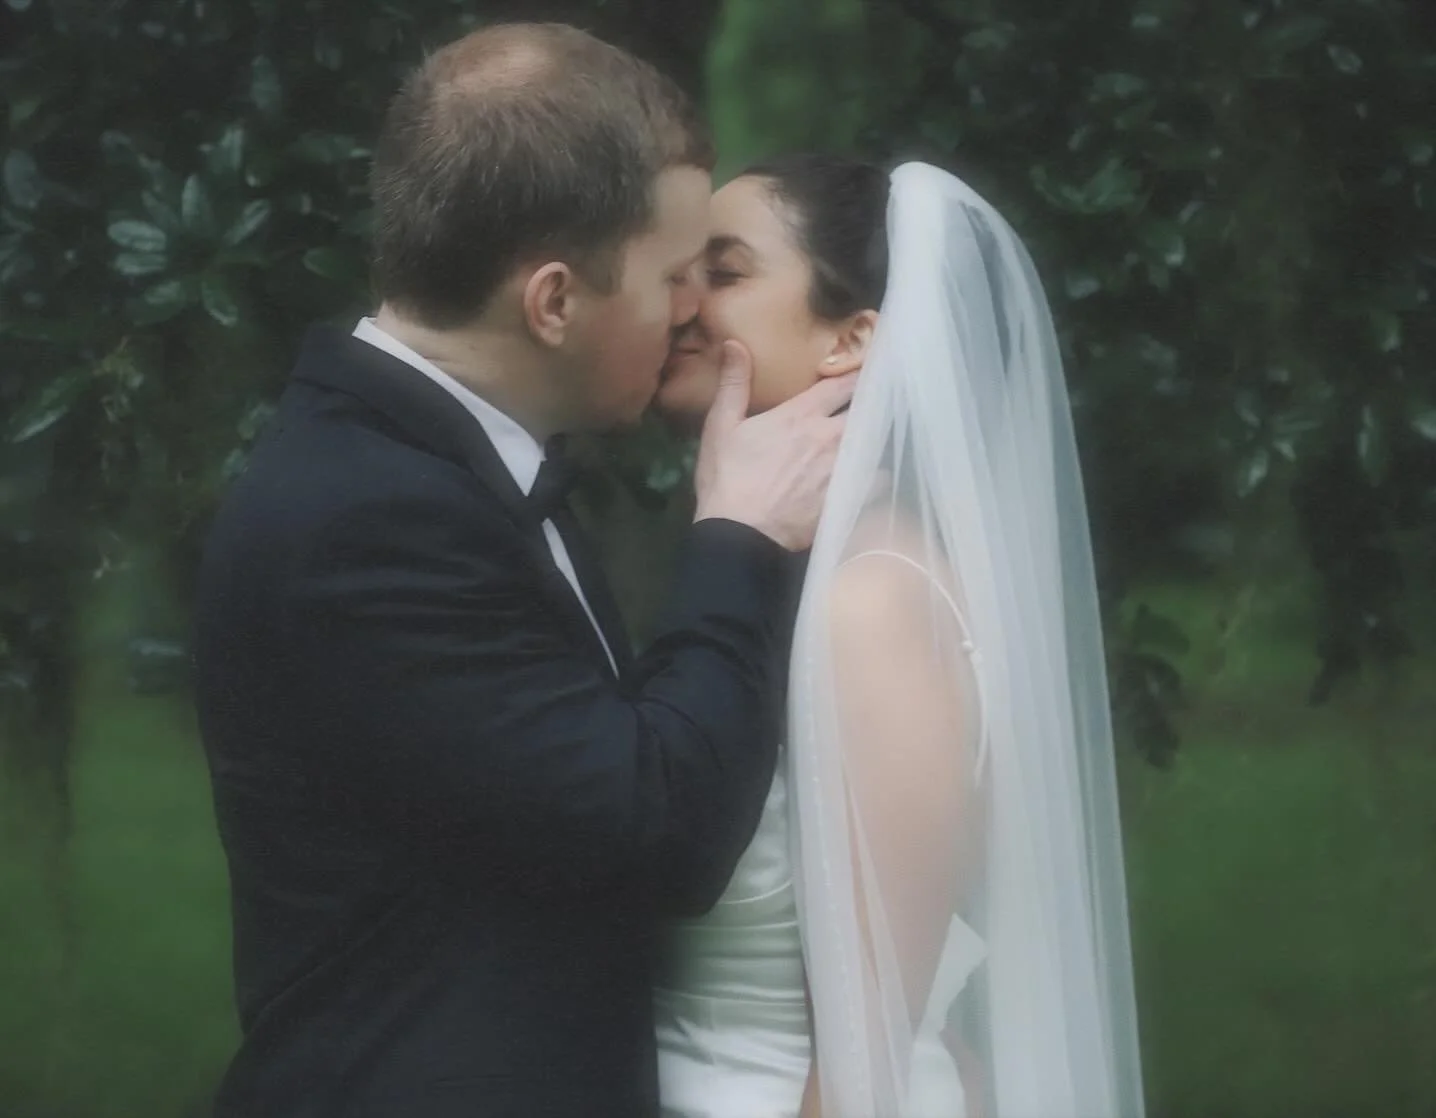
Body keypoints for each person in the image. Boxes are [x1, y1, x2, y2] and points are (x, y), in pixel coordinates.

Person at [192, 26, 855, 1118]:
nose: (694, 307)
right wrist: (734, 532)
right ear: (552, 301)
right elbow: (662, 834)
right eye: (673, 274)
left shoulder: (442, 465)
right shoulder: (365, 515)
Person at [652, 154, 1146, 1117]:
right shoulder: (803, 579)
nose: (678, 302)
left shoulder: (874, 604)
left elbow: (865, 1057)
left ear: (851, 338)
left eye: (724, 271)